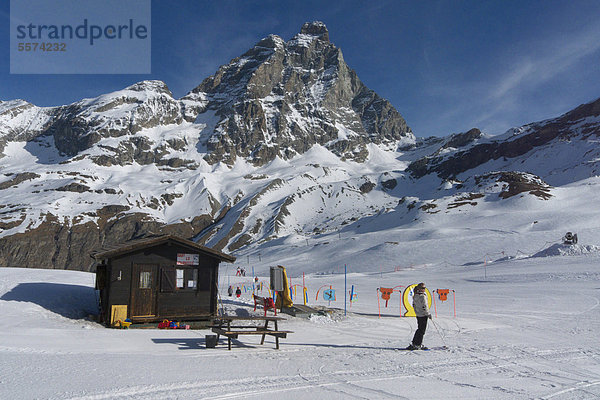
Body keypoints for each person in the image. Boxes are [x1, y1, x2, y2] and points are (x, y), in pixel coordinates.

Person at [407, 282, 432, 350]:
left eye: (425, 288)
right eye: (423, 288)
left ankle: (415, 343)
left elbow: (414, 305)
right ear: (420, 288)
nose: (424, 289)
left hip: (418, 314)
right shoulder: (422, 296)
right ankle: (418, 344)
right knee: (422, 330)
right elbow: (425, 306)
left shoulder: (416, 295)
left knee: (419, 329)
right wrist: (428, 314)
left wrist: (417, 312)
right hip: (423, 315)